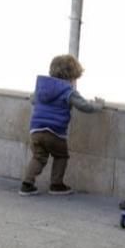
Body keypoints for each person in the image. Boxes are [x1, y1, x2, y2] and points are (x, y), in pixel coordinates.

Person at [20, 54, 103, 196]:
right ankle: (56, 185)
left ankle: (26, 184)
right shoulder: (67, 90)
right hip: (55, 132)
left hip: (36, 130)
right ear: (72, 76)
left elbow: (33, 99)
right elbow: (84, 106)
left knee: (38, 157)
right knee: (61, 156)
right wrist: (99, 105)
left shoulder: (42, 87)